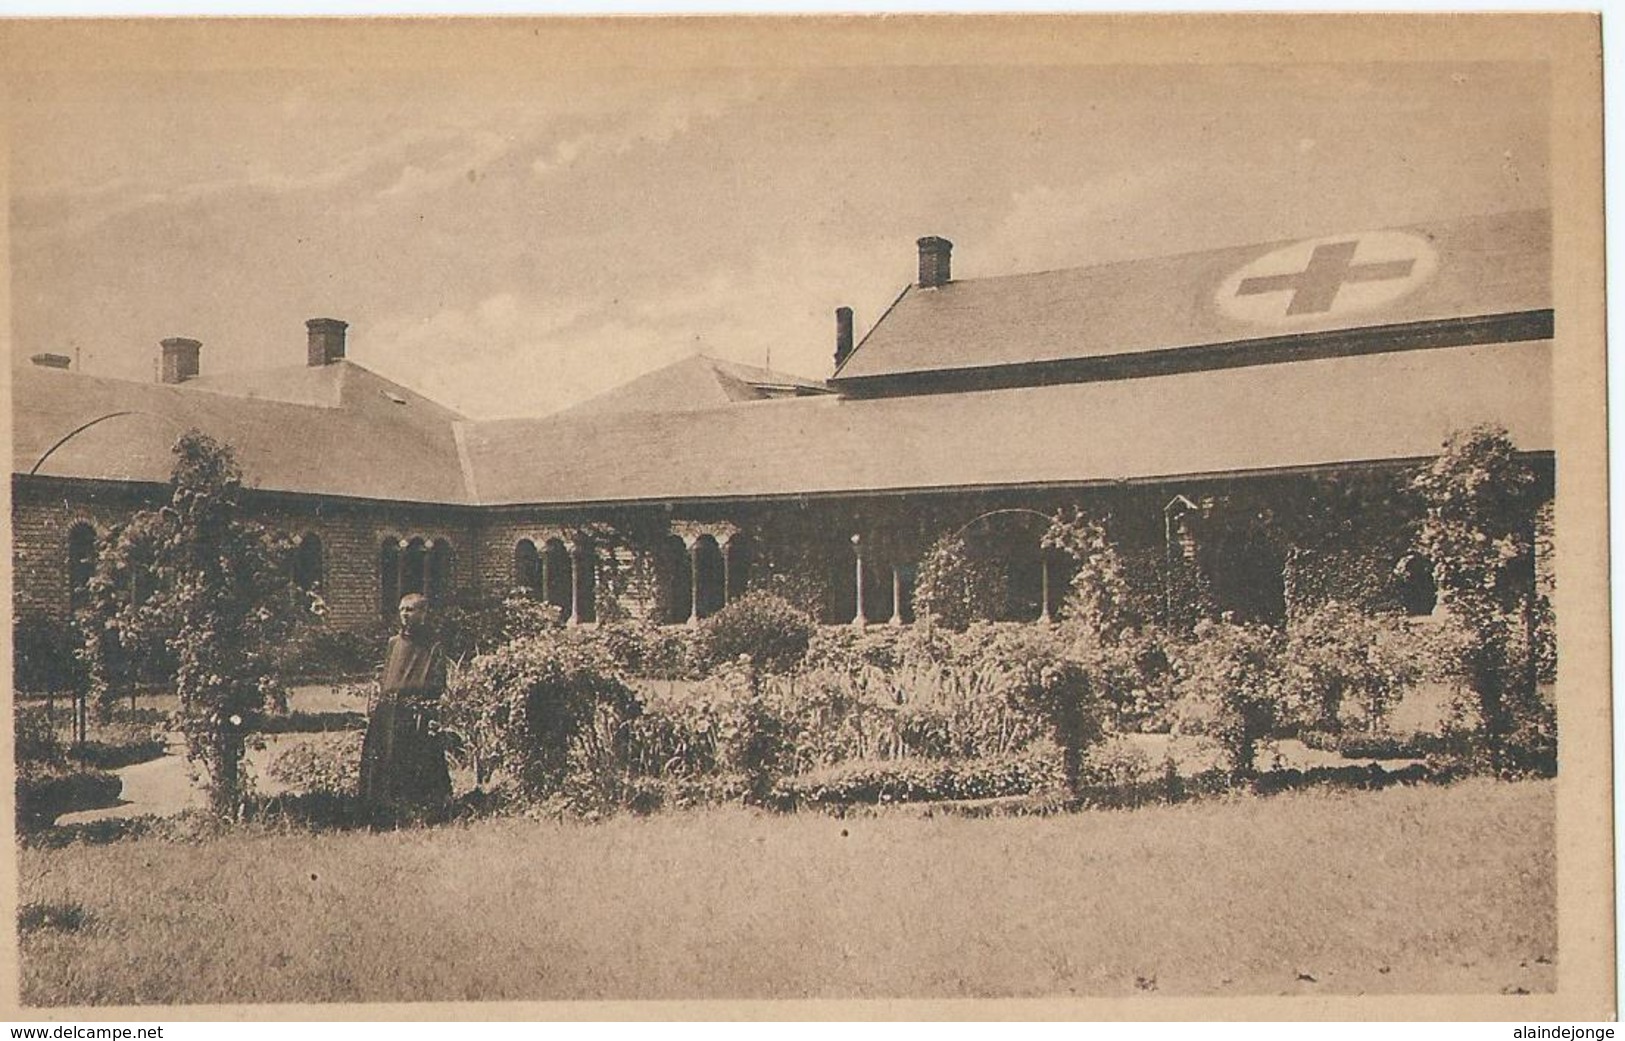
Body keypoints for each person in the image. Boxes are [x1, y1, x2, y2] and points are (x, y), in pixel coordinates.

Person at [358, 593, 452, 819]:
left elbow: (438, 681)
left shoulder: (433, 644)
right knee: (383, 759)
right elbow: (387, 676)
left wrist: (426, 708)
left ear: (423, 613)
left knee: (416, 760)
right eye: (402, 609)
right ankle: (382, 810)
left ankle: (422, 810)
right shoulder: (393, 643)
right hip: (388, 710)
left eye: (410, 610)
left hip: (414, 711)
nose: (405, 614)